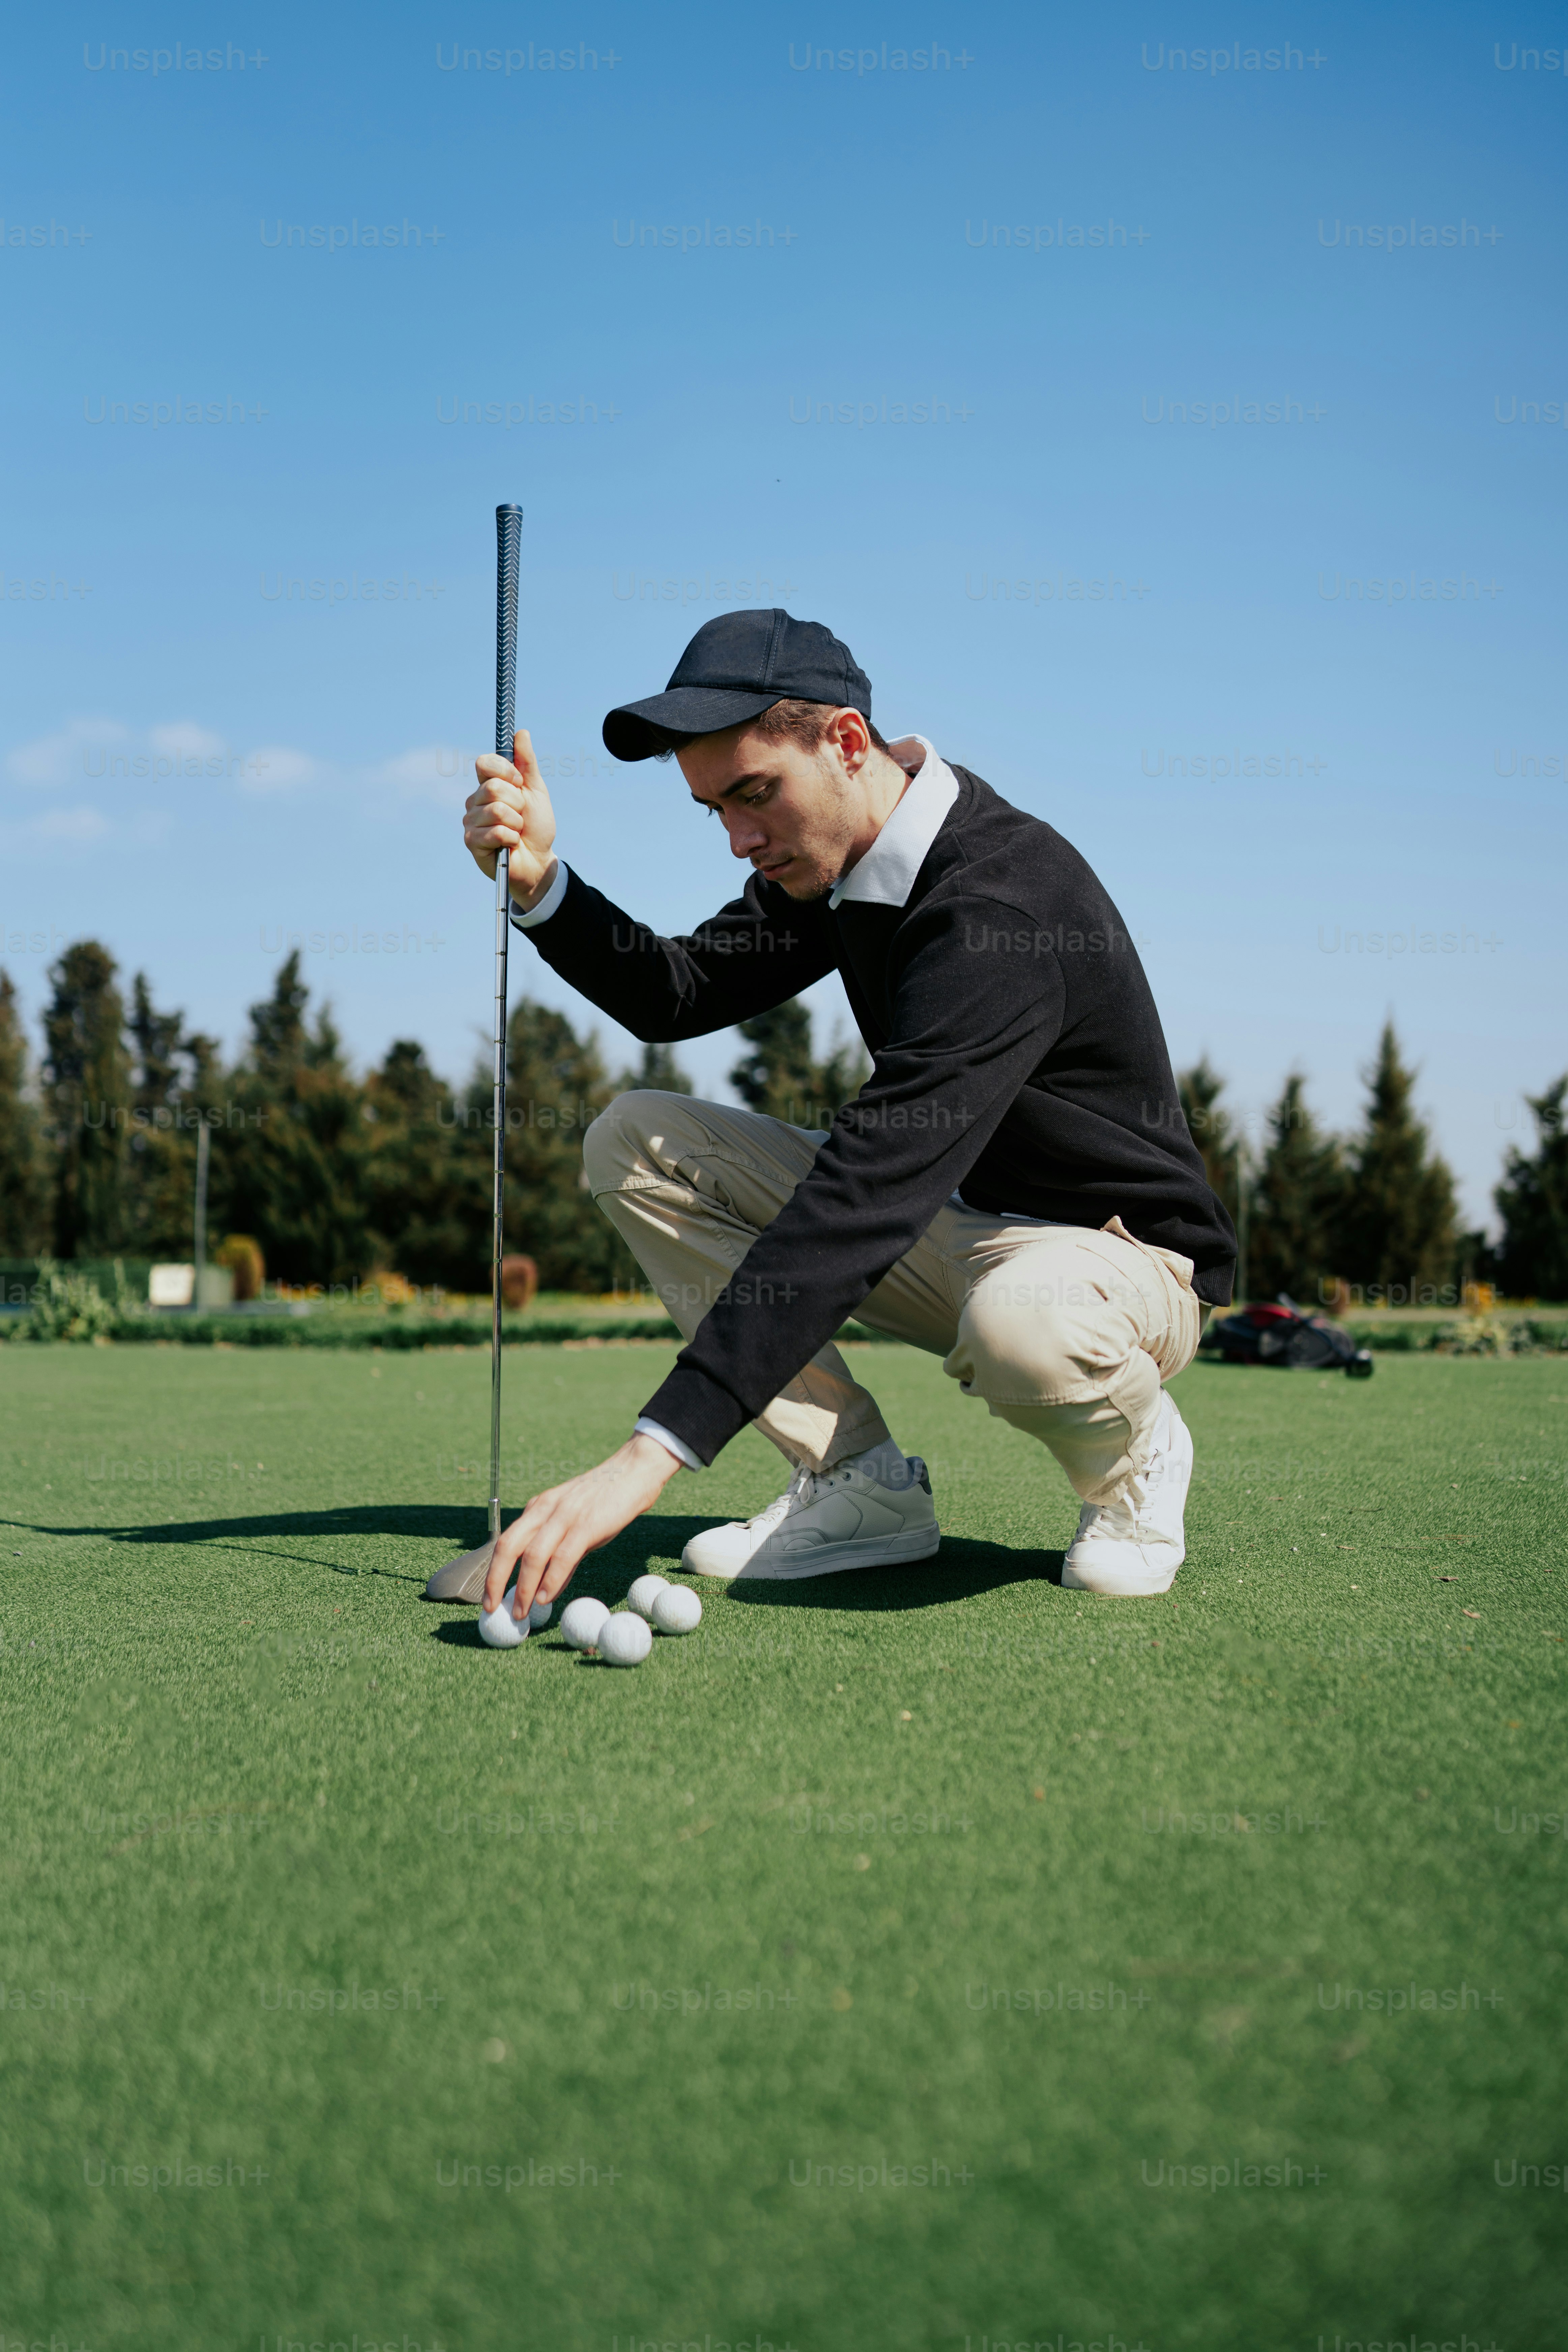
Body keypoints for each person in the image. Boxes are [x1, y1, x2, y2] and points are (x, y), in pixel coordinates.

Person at [424, 609, 1235, 1624]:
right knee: (635, 1140)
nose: (738, 839)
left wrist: (651, 1454)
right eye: (714, 809)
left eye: (754, 795)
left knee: (1028, 1328)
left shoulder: (998, 901)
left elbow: (869, 1181)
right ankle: (858, 1486)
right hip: (957, 1228)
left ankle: (1133, 1465)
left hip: (1123, 1263)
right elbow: (675, 992)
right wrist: (543, 884)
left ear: (845, 742)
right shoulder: (837, 867)